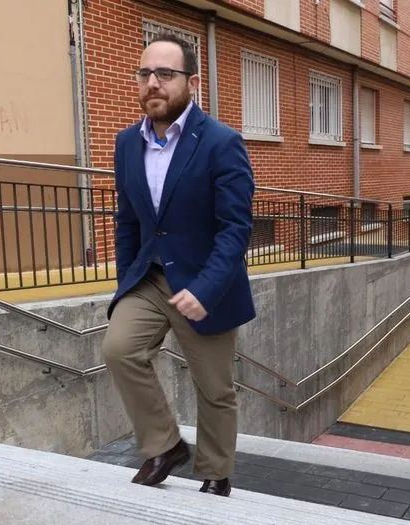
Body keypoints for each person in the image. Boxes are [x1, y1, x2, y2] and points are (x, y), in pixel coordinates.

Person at [101, 33, 256, 498]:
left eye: (164, 74)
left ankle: (216, 472)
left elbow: (235, 228)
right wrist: (125, 281)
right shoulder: (127, 143)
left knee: (214, 388)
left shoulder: (221, 143)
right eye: (144, 74)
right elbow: (126, 220)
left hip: (206, 282)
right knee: (118, 349)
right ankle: (164, 446)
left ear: (190, 82)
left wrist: (206, 288)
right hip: (149, 277)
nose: (152, 83)